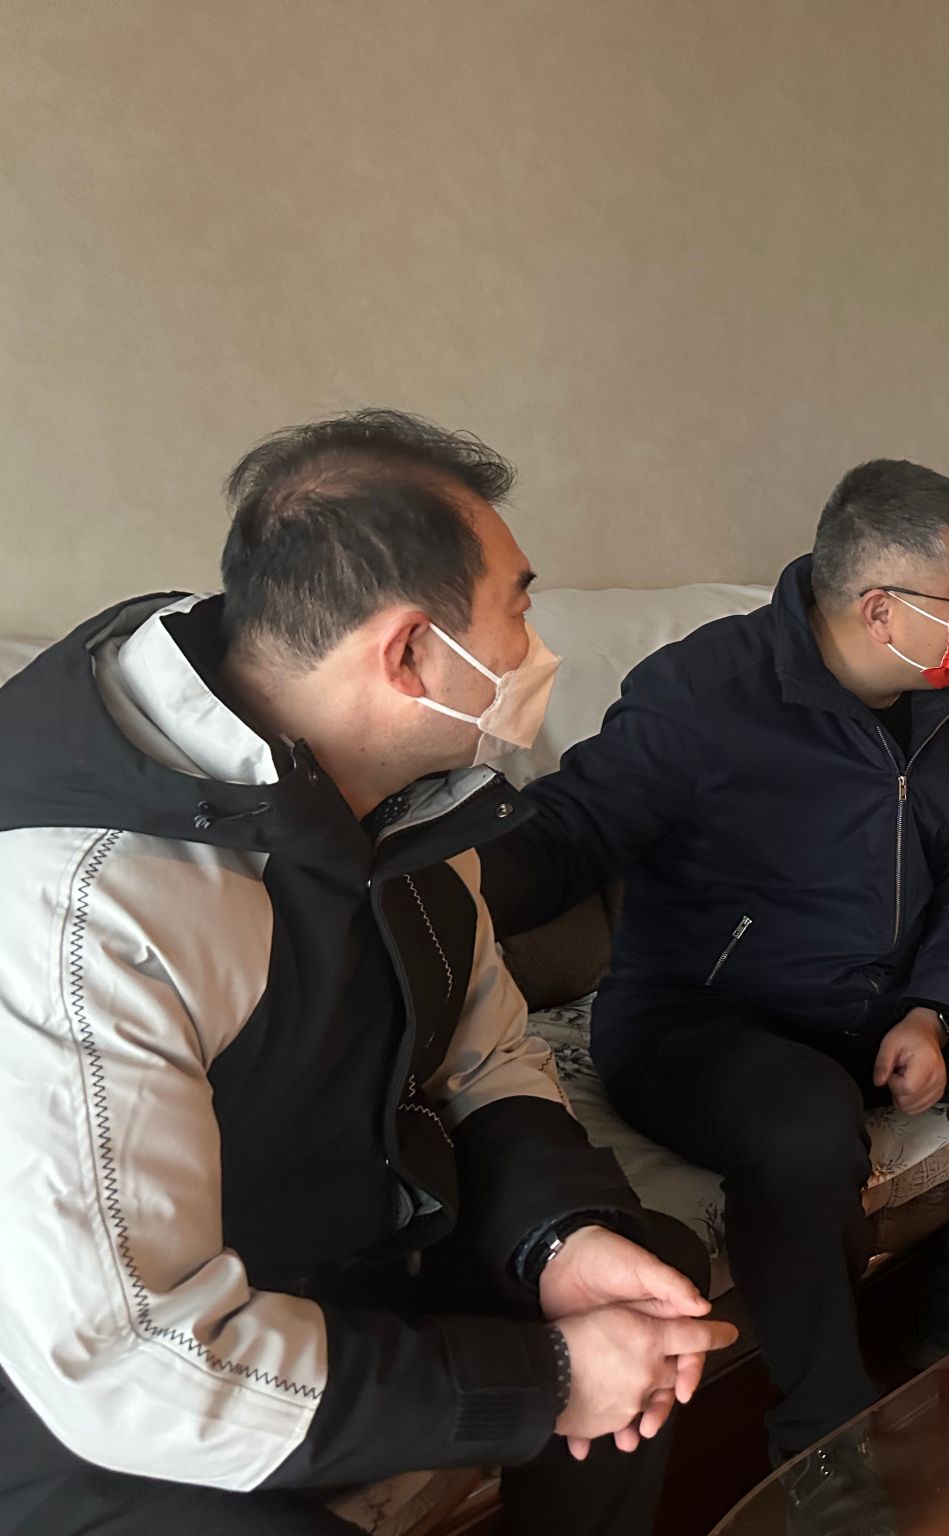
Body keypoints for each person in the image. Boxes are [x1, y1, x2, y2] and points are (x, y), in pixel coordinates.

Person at [0, 410, 737, 1536]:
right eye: (519, 607)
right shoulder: (89, 900)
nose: (535, 648)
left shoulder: (408, 809)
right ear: (410, 654)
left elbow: (486, 1058)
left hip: (332, 1253)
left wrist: (558, 1236)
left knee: (645, 1290)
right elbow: (129, 1365)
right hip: (86, 1392)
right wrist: (543, 1379)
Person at [481, 458, 949, 1534]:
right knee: (800, 1121)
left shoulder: (947, 694)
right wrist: (444, 879)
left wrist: (939, 1010)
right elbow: (571, 832)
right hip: (703, 1024)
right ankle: (819, 1434)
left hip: (882, 1006)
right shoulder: (705, 691)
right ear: (881, 608)